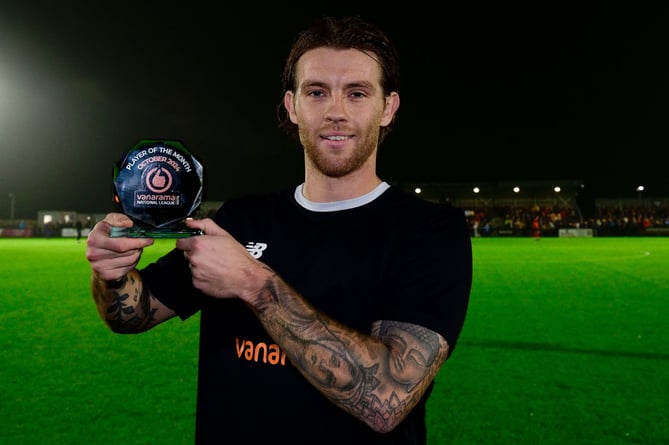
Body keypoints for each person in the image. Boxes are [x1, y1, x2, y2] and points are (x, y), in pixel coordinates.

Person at [85, 15, 472, 445]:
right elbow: (133, 314)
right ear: (292, 105)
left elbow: (388, 399)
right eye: (317, 92)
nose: (336, 112)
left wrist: (252, 281)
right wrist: (112, 272)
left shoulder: (430, 231)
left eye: (357, 93)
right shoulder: (238, 221)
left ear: (388, 107)